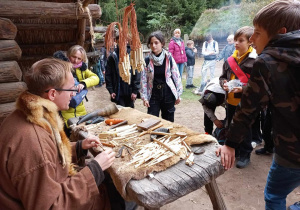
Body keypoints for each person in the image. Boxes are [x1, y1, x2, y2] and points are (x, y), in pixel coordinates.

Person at [215, 0, 300, 209]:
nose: (252, 40)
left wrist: (230, 144)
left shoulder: (267, 61)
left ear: (280, 32)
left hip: (291, 151)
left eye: (257, 33)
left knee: (274, 195)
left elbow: (247, 109)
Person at [0, 58, 116, 209]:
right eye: (71, 89)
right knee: (119, 197)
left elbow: (48, 159)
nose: (74, 94)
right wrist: (95, 169)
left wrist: (79, 147)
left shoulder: (26, 115)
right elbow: (51, 206)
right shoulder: (33, 140)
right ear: (53, 94)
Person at [219, 26, 258, 168]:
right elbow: (223, 76)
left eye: (241, 40)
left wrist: (243, 89)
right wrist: (223, 83)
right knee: (231, 125)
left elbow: (257, 85)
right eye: (236, 40)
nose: (236, 43)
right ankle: (234, 150)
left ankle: (245, 153)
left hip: (246, 102)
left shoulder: (256, 61)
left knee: (245, 128)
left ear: (250, 42)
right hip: (231, 99)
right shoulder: (229, 60)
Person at [140, 31, 183, 122]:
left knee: (168, 122)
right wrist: (145, 97)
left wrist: (178, 94)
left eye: (156, 43)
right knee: (151, 121)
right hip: (153, 95)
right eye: (151, 43)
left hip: (168, 94)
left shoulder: (169, 58)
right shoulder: (147, 60)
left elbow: (176, 76)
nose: (154, 45)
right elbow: (143, 80)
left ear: (162, 43)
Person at [60, 45, 99, 129]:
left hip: (80, 107)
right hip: (64, 110)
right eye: (73, 57)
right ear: (68, 55)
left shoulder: (82, 69)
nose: (76, 60)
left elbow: (96, 78)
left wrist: (84, 83)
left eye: (79, 58)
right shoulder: (61, 69)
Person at [105, 35, 141, 108]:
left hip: (129, 90)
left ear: (127, 41)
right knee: (121, 111)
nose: (122, 43)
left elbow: (137, 74)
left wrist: (135, 91)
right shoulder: (112, 57)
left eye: (124, 41)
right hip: (118, 91)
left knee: (131, 111)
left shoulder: (132, 55)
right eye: (120, 41)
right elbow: (108, 75)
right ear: (116, 41)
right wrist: (111, 90)